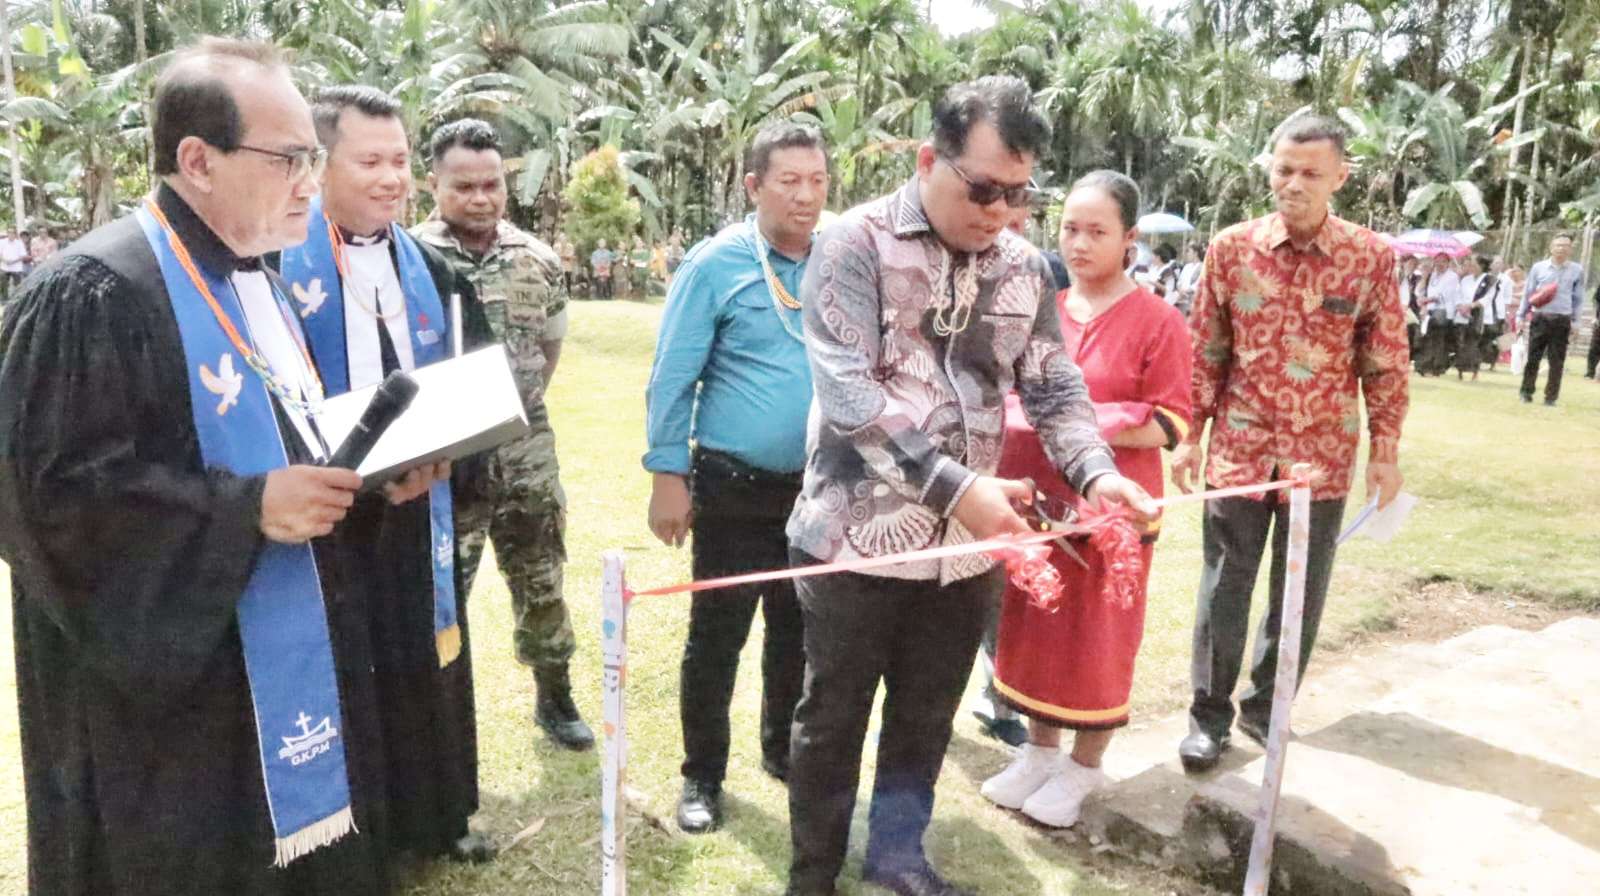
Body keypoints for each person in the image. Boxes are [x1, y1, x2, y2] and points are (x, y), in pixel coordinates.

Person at [0, 38, 410, 896]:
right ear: (198, 160)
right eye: (292, 157)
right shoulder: (92, 293)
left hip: (277, 659)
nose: (312, 179)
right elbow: (53, 506)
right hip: (167, 701)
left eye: (314, 156)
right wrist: (245, 508)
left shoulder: (255, 272)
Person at [784, 76, 1156, 896]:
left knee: (924, 718)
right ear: (929, 159)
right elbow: (850, 399)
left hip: (966, 551)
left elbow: (1055, 386)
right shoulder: (853, 244)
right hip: (852, 536)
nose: (999, 211)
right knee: (832, 719)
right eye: (983, 188)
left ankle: (897, 856)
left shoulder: (1026, 267)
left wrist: (1098, 475)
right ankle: (812, 873)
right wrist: (958, 489)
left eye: (1019, 195)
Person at [277, 85, 492, 863]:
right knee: (345, 666)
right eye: (370, 160)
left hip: (416, 506)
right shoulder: (273, 265)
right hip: (327, 516)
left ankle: (434, 820)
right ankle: (356, 839)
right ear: (320, 164)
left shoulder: (433, 268)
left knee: (421, 653)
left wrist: (450, 454)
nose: (391, 177)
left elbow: (475, 376)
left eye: (400, 160)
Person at [1172, 115, 1407, 772]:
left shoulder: (1369, 258)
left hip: (1321, 461)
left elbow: (1385, 362)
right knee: (1224, 584)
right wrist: (1191, 435)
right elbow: (1207, 351)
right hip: (1240, 453)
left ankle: (1267, 708)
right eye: (1284, 169)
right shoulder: (1231, 248)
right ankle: (1208, 715)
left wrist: (1385, 453)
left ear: (1341, 176)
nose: (1294, 184)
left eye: (1310, 172)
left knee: (1298, 592)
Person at [980, 171, 1193, 828]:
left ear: (1130, 239)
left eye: (1097, 231)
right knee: (1033, 630)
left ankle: (1084, 767)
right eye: (1069, 228)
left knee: (1096, 640)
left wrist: (1089, 421)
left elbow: (1170, 421)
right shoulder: (1044, 311)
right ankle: (1040, 754)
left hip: (1111, 512)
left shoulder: (1158, 321)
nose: (1078, 243)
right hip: (1037, 502)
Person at [644, 120, 829, 834]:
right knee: (717, 636)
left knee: (799, 631)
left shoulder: (839, 257)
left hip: (816, 490)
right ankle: (702, 776)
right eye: (789, 181)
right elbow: (672, 376)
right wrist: (667, 474)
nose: (805, 196)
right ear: (754, 186)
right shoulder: (716, 264)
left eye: (816, 180)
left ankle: (781, 750)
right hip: (732, 487)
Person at [412, 118, 593, 751]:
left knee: (543, 578)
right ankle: (436, 720)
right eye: (464, 186)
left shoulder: (536, 259)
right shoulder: (411, 260)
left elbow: (548, 349)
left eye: (492, 184)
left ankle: (555, 695)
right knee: (439, 593)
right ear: (433, 183)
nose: (481, 198)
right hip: (443, 462)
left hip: (526, 455)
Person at [966, 200, 1041, 750]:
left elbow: (1045, 371)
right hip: (957, 467)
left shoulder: (1038, 273)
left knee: (1004, 592)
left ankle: (998, 694)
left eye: (1019, 222)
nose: (1009, 233)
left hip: (1016, 471)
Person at [1518, 233, 1584, 405]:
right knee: (1533, 357)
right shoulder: (1539, 267)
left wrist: (1576, 322)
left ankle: (1551, 397)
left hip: (1562, 319)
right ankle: (1526, 392)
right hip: (1540, 317)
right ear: (1551, 248)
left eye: (1565, 246)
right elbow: (1528, 293)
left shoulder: (1577, 270)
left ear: (1570, 250)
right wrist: (1521, 315)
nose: (1561, 248)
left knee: (1556, 361)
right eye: (1558, 245)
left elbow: (1578, 299)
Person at [1417, 252, 1459, 375]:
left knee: (1438, 339)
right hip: (1430, 310)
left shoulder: (1452, 276)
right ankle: (1426, 365)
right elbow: (1419, 291)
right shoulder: (1432, 275)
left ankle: (1437, 367)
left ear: (1448, 263)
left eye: (1443, 261)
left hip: (1443, 310)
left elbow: (1445, 294)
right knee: (1428, 338)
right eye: (1437, 261)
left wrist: (1427, 300)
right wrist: (1425, 277)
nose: (1439, 264)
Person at [1454, 254, 1488, 380]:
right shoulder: (1465, 280)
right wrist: (1460, 307)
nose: (1472, 267)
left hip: (1477, 313)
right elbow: (1458, 294)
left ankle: (1474, 370)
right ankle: (1460, 370)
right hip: (1462, 314)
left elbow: (1487, 298)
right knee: (1461, 342)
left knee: (1473, 343)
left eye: (1474, 264)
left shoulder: (1488, 279)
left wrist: (1471, 306)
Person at [1482, 255, 1512, 372]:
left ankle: (1493, 363)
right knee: (1484, 336)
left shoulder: (1506, 280)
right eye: (1496, 263)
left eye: (1500, 263)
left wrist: (1507, 314)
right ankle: (1482, 360)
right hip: (1485, 310)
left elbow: (1507, 298)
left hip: (1499, 312)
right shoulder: (1485, 277)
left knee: (1497, 337)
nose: (1498, 265)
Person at [1175, 243, 1204, 316]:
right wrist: (1180, 289)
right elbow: (1179, 281)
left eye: (1189, 251)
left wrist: (1186, 291)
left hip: (1192, 299)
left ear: (1195, 253)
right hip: (1181, 299)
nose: (1187, 254)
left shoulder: (1202, 267)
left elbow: (1198, 284)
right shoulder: (1186, 266)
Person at [0, 228, 27, 300]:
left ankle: (17, 299)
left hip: (16, 267)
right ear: (7, 233)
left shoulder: (19, 243)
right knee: (3, 284)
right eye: (9, 232)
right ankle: (4, 298)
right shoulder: (2, 242)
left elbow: (23, 256)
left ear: (15, 234)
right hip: (4, 267)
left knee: (18, 285)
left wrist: (13, 261)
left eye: (12, 233)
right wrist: (4, 260)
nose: (11, 234)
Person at [555, 232, 577, 298]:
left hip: (568, 267)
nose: (562, 240)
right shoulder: (556, 246)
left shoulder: (570, 246)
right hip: (559, 266)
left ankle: (569, 294)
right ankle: (559, 295)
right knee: (559, 281)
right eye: (561, 238)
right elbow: (555, 256)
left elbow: (571, 256)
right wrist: (565, 257)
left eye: (563, 238)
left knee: (568, 281)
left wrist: (562, 257)